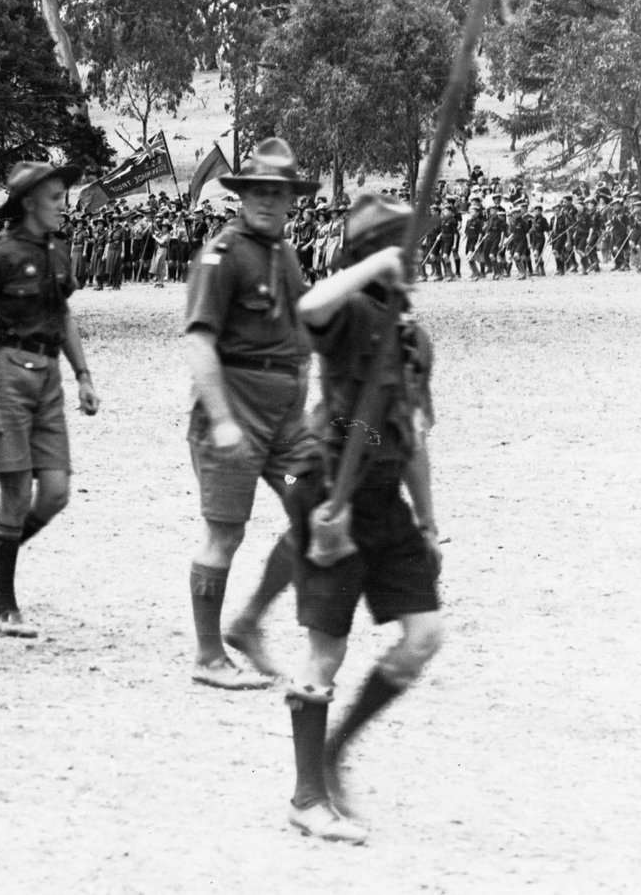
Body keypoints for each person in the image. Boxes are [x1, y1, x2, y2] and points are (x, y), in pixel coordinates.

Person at [281, 192, 444, 844]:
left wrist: (429, 522)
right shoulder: (349, 311)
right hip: (332, 495)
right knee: (328, 648)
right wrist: (374, 261)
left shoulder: (412, 335)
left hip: (385, 497)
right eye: (403, 243)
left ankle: (334, 750)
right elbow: (307, 309)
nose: (418, 255)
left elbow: (414, 434)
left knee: (424, 634)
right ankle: (306, 797)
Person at [180, 138, 315, 689]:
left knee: (316, 508)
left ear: (290, 200)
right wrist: (224, 419)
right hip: (234, 417)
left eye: (277, 193)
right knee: (224, 534)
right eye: (257, 190)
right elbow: (199, 343)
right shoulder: (222, 255)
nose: (267, 200)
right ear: (242, 195)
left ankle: (250, 622)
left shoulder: (284, 253)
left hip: (284, 426)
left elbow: (300, 331)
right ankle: (209, 657)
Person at [0, 161, 100, 639]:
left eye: (64, 195)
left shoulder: (60, 251)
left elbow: (64, 317)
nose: (64, 204)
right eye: (56, 197)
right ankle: (4, 605)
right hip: (7, 375)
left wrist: (83, 375)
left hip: (49, 379)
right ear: (29, 203)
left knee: (56, 493)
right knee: (16, 494)